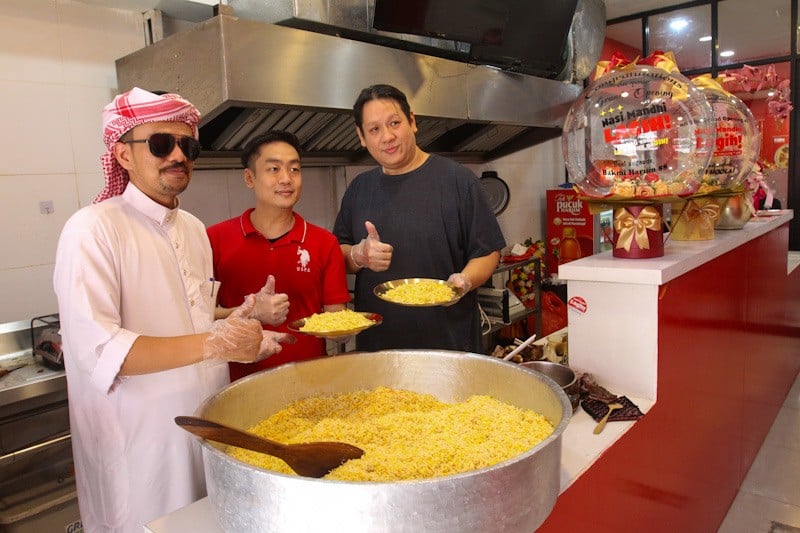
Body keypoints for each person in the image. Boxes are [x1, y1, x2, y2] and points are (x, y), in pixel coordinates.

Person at [53, 87, 292, 533]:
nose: (178, 155)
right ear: (122, 155)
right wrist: (217, 343)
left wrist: (242, 318)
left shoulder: (194, 228)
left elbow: (191, 318)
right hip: (139, 450)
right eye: (161, 144)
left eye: (188, 145)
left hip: (203, 427)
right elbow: (102, 352)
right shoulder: (93, 230)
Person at [332, 84, 506, 353]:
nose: (387, 136)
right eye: (374, 129)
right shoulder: (359, 189)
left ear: (412, 122)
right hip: (379, 347)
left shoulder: (458, 181)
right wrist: (358, 255)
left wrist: (464, 281)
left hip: (449, 344)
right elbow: (336, 255)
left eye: (394, 123)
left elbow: (488, 251)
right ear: (362, 137)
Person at [207, 131, 351, 381]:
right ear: (249, 178)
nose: (286, 179)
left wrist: (346, 329)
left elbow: (336, 321)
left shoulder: (323, 242)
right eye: (274, 169)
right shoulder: (213, 239)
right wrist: (250, 311)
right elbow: (199, 315)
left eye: (295, 170)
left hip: (311, 382)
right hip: (235, 382)